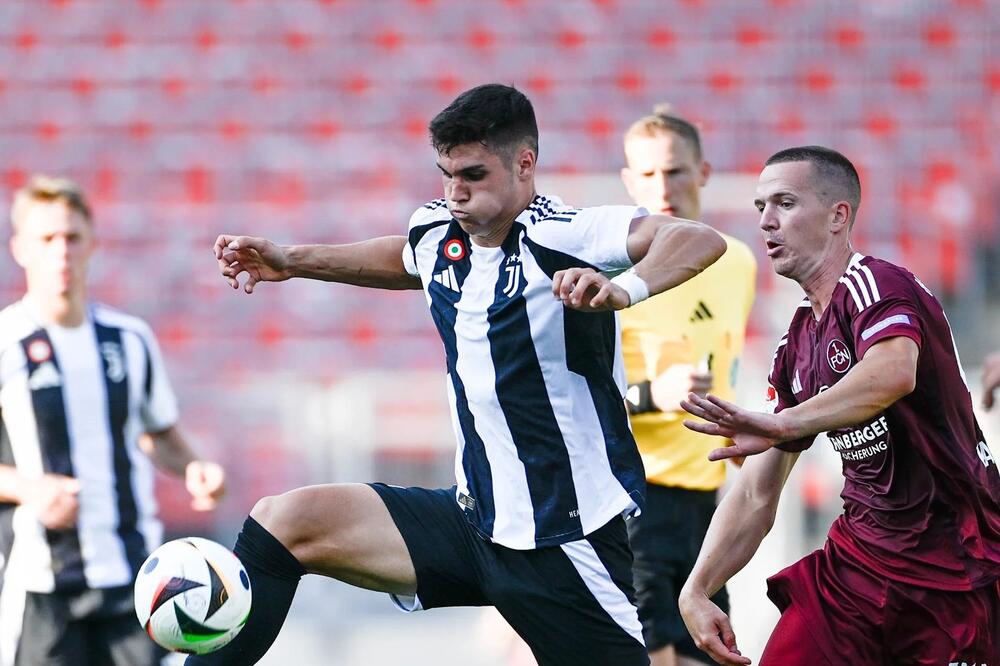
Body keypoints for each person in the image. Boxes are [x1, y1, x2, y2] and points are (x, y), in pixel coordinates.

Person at [191, 84, 727, 666]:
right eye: (445, 175)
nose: (455, 193)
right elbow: (403, 258)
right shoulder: (438, 231)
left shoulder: (569, 234)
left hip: (565, 540)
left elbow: (695, 237)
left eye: (472, 175)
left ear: (524, 164)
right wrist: (292, 261)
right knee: (283, 523)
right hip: (471, 522)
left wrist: (624, 288)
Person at [676, 146, 1000, 665]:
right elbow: (758, 494)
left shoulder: (877, 283)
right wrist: (697, 589)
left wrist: (786, 424)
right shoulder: (796, 344)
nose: (766, 221)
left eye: (784, 202)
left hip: (954, 568)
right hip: (856, 571)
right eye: (761, 207)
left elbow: (892, 373)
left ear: (837, 216)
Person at [0, 176, 227, 666]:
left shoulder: (129, 339)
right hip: (42, 585)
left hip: (136, 581)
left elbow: (157, 432)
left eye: (72, 237)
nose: (61, 250)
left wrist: (192, 466)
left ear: (92, 244)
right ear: (20, 249)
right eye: (47, 239)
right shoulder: (5, 341)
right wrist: (31, 490)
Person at [617, 106, 756, 666]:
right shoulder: (609, 273)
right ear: (630, 182)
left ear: (703, 172)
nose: (663, 186)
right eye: (648, 175)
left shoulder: (737, 261)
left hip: (706, 502)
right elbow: (573, 404)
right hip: (633, 501)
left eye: (675, 171)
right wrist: (655, 394)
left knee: (713, 653)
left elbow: (726, 363)